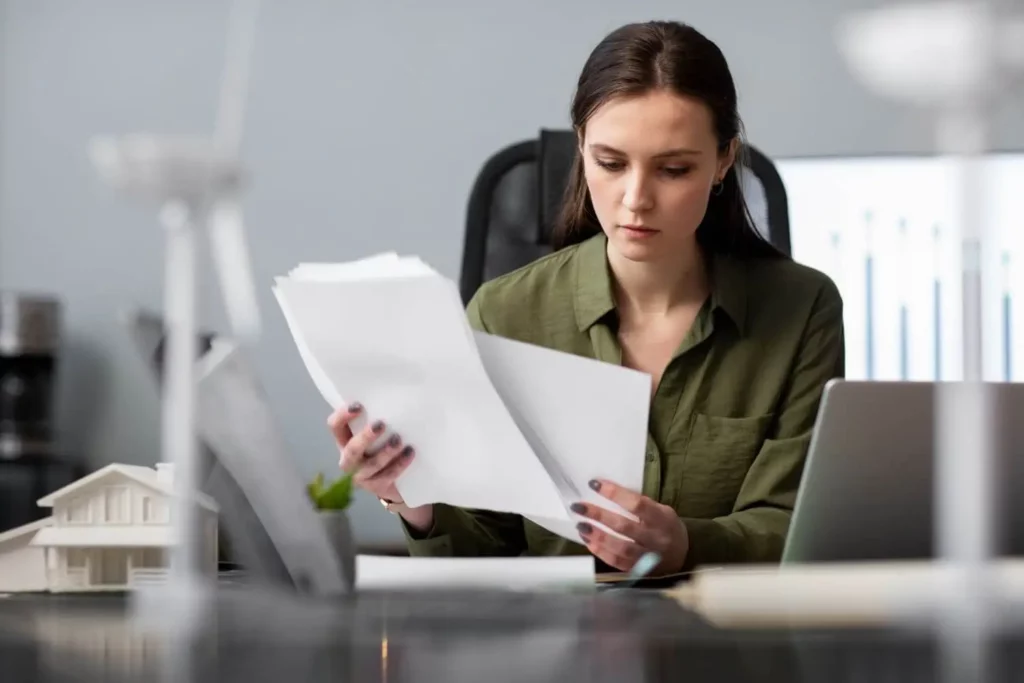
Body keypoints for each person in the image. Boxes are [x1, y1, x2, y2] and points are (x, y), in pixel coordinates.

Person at [327, 20, 845, 575]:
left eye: (674, 169)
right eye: (610, 163)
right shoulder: (503, 313)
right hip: (552, 647)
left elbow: (795, 523)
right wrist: (411, 496)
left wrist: (686, 544)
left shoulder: (803, 309)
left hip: (733, 646)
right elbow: (483, 547)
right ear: (581, 148)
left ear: (723, 161)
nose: (636, 199)